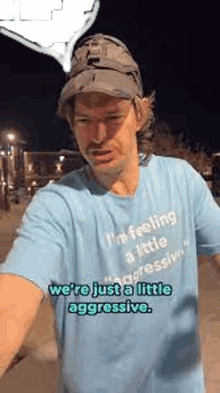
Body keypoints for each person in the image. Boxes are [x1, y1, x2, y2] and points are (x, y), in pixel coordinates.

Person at [0, 33, 220, 393]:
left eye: (112, 116)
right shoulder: (58, 206)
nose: (98, 135)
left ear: (139, 113)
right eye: (84, 120)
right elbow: (12, 299)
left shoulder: (182, 181)